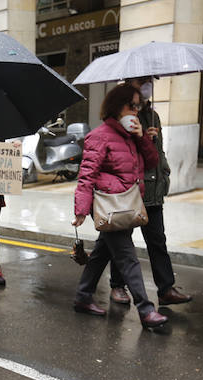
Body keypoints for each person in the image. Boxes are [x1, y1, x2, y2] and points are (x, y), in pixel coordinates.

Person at [71, 83, 168, 330]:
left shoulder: (133, 136)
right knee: (127, 257)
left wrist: (143, 138)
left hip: (126, 203)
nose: (135, 111)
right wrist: (81, 210)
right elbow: (87, 175)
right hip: (110, 205)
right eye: (131, 106)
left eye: (138, 106)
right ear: (116, 107)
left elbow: (152, 162)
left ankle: (83, 296)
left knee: (103, 251)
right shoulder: (99, 136)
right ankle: (146, 310)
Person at [107, 77, 191, 307]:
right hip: (132, 188)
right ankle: (117, 285)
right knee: (122, 240)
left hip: (153, 187)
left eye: (149, 82)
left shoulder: (153, 115)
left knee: (157, 240)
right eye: (142, 82)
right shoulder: (122, 115)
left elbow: (157, 153)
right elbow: (121, 153)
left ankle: (165, 288)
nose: (147, 86)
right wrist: (142, 136)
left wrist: (164, 174)